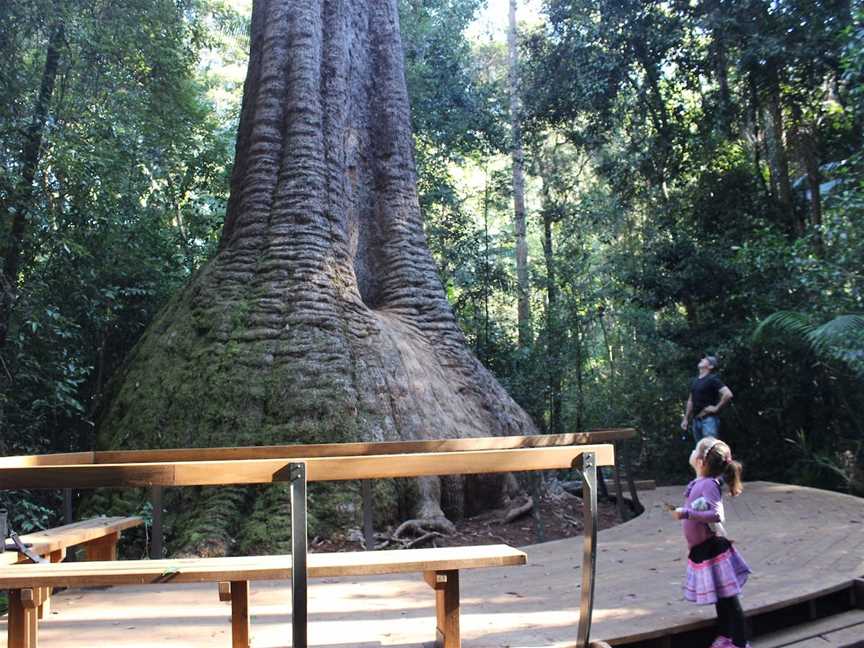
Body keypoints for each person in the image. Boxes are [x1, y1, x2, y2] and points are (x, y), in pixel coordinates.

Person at [672, 438, 752, 648]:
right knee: (721, 597)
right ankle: (726, 636)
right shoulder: (700, 482)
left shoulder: (708, 484)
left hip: (713, 550)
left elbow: (716, 515)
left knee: (729, 599)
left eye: (695, 450)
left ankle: (741, 642)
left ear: (699, 460)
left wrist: (687, 513)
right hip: (702, 550)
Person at [681, 356, 733, 442]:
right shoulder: (695, 381)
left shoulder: (712, 379)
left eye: (705, 360)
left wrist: (716, 408)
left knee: (710, 450)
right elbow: (690, 400)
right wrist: (686, 418)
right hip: (696, 420)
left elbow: (728, 394)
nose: (701, 359)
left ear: (710, 366)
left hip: (709, 420)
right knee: (700, 451)